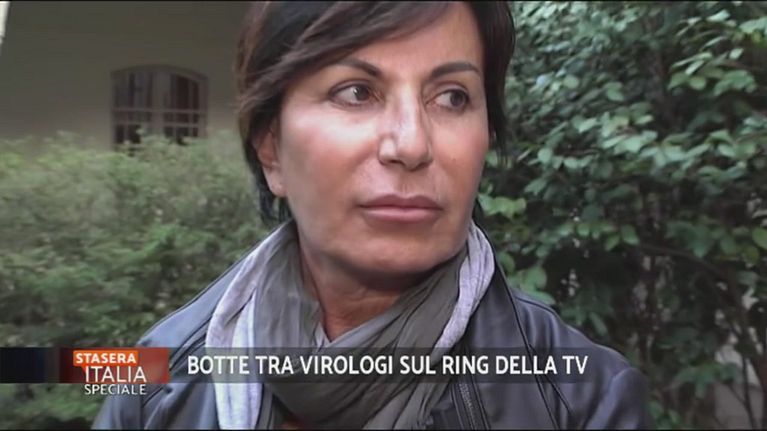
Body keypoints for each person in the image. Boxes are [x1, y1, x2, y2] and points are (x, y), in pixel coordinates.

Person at [93, 2, 651, 429]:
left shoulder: (583, 401)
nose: (411, 144)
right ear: (271, 150)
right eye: (357, 92)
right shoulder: (152, 384)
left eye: (452, 97)